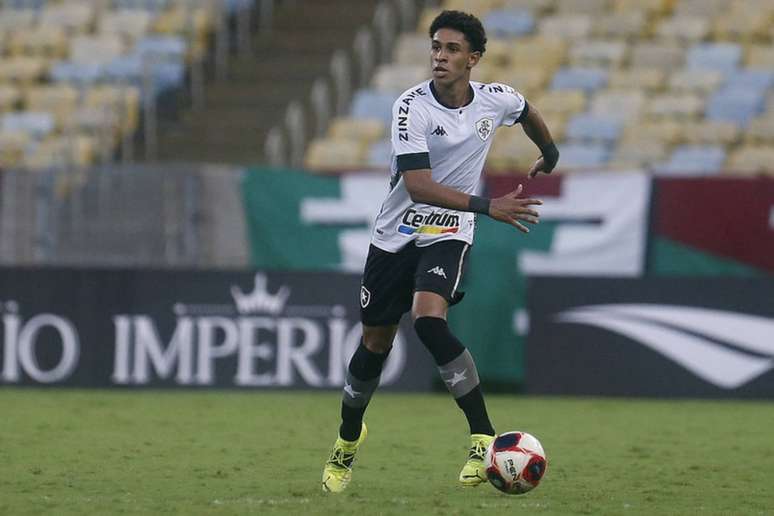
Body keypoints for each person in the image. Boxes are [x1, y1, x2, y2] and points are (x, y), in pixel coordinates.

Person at [322, 9, 559, 493]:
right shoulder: (411, 107)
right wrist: (488, 205)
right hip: (395, 236)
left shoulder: (494, 100)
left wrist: (550, 153)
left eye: (451, 49)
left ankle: (482, 438)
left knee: (429, 320)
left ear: (473, 59)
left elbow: (527, 112)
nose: (440, 57)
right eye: (435, 47)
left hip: (448, 231)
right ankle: (347, 442)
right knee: (375, 344)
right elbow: (418, 186)